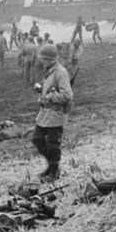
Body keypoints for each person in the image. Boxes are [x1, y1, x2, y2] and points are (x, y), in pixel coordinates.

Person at [32, 44, 73, 182]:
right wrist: (42, 89)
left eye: (43, 59)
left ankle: (54, 172)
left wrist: (49, 97)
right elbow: (52, 88)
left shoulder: (60, 72)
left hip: (55, 113)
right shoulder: (50, 70)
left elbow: (67, 95)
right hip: (46, 113)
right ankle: (51, 166)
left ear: (49, 59)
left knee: (53, 143)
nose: (41, 61)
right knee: (37, 139)